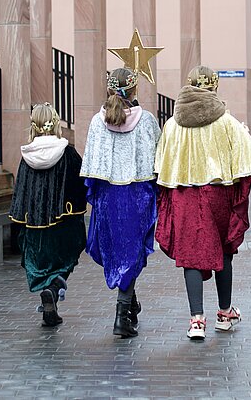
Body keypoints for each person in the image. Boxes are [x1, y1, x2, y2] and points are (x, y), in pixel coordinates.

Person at [155, 65, 251, 340]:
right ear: (214, 88)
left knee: (191, 254)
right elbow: (247, 157)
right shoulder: (226, 122)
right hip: (217, 195)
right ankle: (225, 314)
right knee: (223, 248)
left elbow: (161, 165)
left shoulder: (172, 124)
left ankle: (196, 321)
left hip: (184, 196)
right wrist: (245, 133)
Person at [80, 67, 162, 338]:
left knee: (119, 254)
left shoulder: (96, 121)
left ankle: (130, 306)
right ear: (135, 89)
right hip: (136, 195)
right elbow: (157, 160)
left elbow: (91, 166)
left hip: (107, 197)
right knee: (132, 253)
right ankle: (121, 316)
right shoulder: (147, 120)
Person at [8, 102, 87, 327]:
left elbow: (21, 192)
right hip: (64, 223)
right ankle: (54, 289)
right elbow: (80, 186)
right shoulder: (68, 154)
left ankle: (48, 292)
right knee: (64, 261)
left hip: (34, 225)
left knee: (39, 265)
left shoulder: (27, 157)